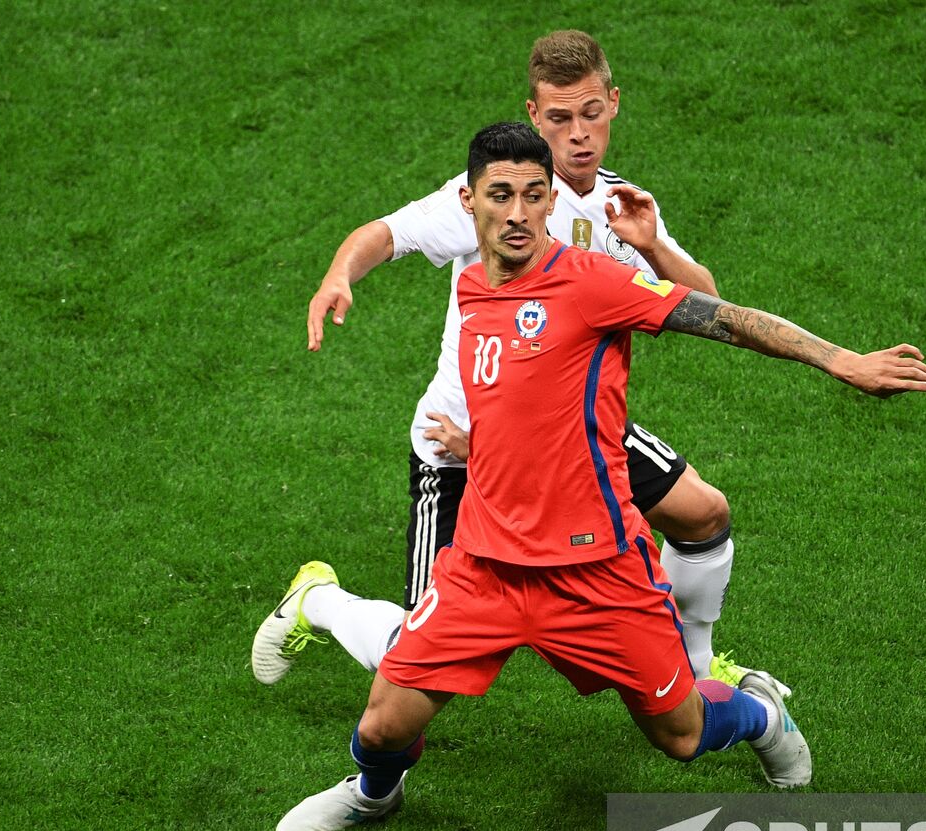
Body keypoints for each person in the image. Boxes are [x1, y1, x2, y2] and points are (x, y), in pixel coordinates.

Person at [256, 122, 926, 831]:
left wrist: (840, 361)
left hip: (596, 571)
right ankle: (373, 792)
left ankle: (761, 712)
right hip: (486, 567)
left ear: (551, 203)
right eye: (501, 196)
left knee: (680, 734)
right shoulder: (473, 290)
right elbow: (519, 401)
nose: (517, 212)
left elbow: (724, 317)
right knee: (384, 722)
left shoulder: (592, 282)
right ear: (470, 201)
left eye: (533, 195)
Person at [303, 30, 743, 681]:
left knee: (704, 513)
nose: (579, 135)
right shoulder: (493, 195)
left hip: (573, 438)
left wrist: (652, 247)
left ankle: (698, 669)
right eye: (560, 119)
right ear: (535, 117)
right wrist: (340, 274)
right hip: (459, 445)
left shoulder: (622, 205)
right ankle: (320, 601)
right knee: (414, 662)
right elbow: (386, 234)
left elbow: (709, 309)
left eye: (591, 113)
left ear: (614, 103)